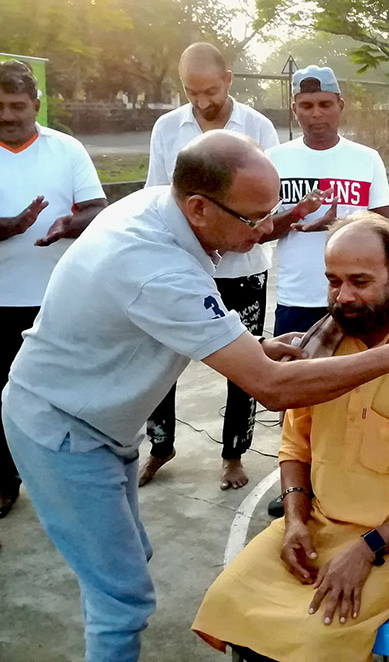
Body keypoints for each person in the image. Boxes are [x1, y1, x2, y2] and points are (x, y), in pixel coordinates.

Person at [0, 131, 389, 662]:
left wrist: (248, 345)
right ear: (198, 207)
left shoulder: (158, 208)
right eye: (252, 218)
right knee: (121, 600)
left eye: (273, 211)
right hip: (66, 430)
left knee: (127, 563)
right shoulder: (154, 266)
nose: (267, 230)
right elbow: (273, 393)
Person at [193, 214, 389, 662]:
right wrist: (295, 520)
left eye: (359, 281)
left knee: (316, 638)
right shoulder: (321, 348)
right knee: (229, 601)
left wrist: (366, 550)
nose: (342, 297)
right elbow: (295, 447)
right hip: (320, 525)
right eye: (333, 281)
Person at [0, 60, 107, 521]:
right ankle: (4, 483)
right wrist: (12, 225)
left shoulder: (66, 149)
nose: (7, 115)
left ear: (36, 104)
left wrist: (68, 223)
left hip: (61, 294)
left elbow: (98, 207)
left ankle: (70, 474)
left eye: (17, 106)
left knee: (67, 391)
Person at [138, 42, 282, 491]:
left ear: (229, 80)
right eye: (191, 92)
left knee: (246, 360)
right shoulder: (167, 127)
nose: (201, 101)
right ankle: (161, 445)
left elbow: (267, 200)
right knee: (161, 359)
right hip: (181, 266)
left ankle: (234, 453)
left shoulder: (257, 126)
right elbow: (156, 195)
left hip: (243, 266)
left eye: (210, 91)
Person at [264, 65, 389, 338]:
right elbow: (256, 232)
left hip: (356, 299)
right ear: (294, 109)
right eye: (306, 105)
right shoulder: (274, 160)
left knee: (358, 378)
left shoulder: (366, 158)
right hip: (297, 299)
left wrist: (341, 227)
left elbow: (386, 231)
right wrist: (297, 213)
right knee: (296, 376)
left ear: (340, 105)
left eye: (325, 104)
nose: (316, 114)